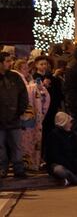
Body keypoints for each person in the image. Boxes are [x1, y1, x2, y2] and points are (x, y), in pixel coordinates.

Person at [46, 112, 77, 186]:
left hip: (73, 165)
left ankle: (70, 179)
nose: (71, 124)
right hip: (60, 164)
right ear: (63, 123)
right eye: (69, 122)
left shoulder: (73, 135)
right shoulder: (53, 135)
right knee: (59, 170)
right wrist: (70, 165)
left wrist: (76, 165)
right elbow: (55, 157)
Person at [0, 51, 29, 180]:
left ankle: (19, 169)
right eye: (7, 61)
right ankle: (2, 168)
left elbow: (23, 94)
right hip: (0, 119)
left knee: (17, 145)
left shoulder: (15, 77)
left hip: (14, 117)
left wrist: (20, 110)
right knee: (0, 146)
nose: (10, 63)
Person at [18, 57, 50, 171]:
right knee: (25, 141)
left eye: (27, 67)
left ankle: (32, 161)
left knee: (31, 139)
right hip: (26, 115)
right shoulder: (19, 79)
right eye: (24, 68)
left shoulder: (28, 79)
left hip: (30, 114)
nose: (27, 70)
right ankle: (26, 163)